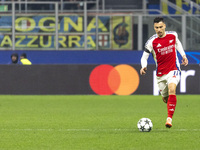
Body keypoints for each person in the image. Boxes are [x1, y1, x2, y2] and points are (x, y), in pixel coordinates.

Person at [140, 17, 188, 128]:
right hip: (161, 74)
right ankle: (168, 102)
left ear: (165, 26)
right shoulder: (151, 42)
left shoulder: (173, 35)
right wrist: (144, 67)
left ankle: (169, 119)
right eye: (157, 28)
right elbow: (144, 57)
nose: (159, 30)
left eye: (161, 27)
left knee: (172, 89)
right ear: (154, 28)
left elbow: (178, 44)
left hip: (173, 69)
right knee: (166, 99)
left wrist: (184, 55)